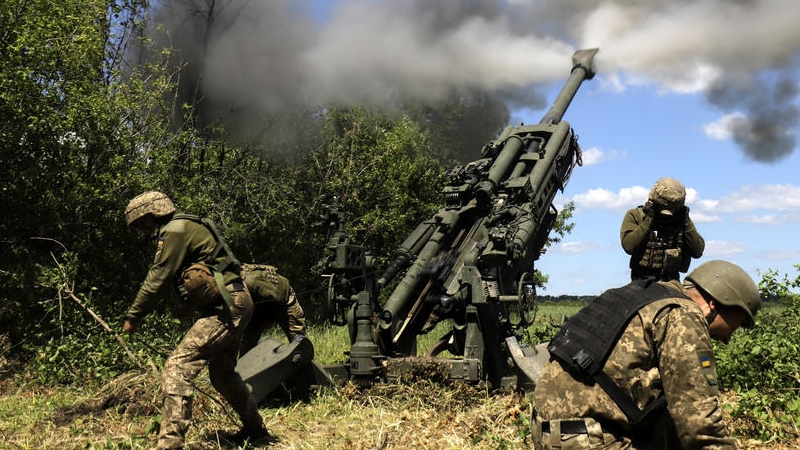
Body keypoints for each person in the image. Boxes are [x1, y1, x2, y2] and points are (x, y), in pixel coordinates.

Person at [532, 259, 761, 450]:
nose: (728, 338)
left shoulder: (644, 296)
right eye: (736, 324)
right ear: (714, 304)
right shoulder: (685, 316)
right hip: (588, 439)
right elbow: (700, 424)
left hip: (549, 429)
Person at [122, 190, 272, 449]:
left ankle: (170, 445)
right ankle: (256, 431)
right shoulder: (186, 225)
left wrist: (133, 317)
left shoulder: (175, 230)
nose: (143, 231)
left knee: (177, 368)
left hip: (227, 307)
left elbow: (157, 277)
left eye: (142, 224)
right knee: (223, 375)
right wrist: (191, 306)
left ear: (155, 214)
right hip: (234, 302)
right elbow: (211, 272)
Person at [620, 177, 705, 281]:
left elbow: (697, 251)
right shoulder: (636, 215)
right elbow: (629, 246)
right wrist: (648, 220)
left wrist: (686, 220)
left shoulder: (682, 220)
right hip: (641, 281)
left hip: (671, 281)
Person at [239, 263, 307, 356]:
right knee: (247, 347)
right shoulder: (230, 286)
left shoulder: (251, 282)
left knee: (298, 341)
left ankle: (306, 367)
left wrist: (269, 319)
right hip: (258, 307)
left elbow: (275, 298)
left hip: (284, 298)